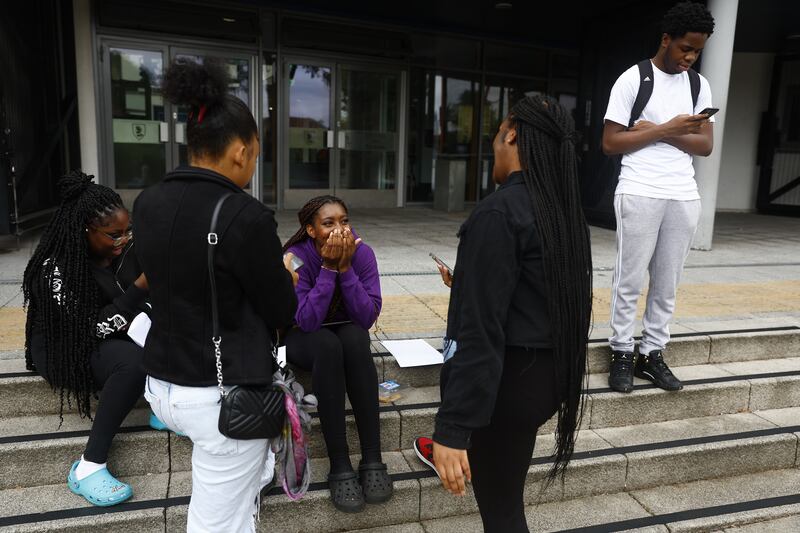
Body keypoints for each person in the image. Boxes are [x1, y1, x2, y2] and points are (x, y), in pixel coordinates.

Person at [133, 58, 297, 532]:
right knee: (215, 525)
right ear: (241, 151)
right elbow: (281, 309)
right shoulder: (244, 216)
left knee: (232, 503)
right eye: (256, 155)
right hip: (220, 398)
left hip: (162, 384)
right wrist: (286, 273)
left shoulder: (147, 202)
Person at [426, 95, 592, 533]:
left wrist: (452, 427)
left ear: (513, 132)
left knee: (502, 515)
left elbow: (478, 329)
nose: (495, 144)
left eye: (498, 133)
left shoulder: (498, 211)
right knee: (505, 503)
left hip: (507, 385)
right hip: (544, 381)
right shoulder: (561, 211)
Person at [603, 1, 715, 393]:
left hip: (683, 194)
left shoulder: (699, 86)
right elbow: (611, 142)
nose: (690, 56)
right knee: (629, 279)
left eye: (697, 50)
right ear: (666, 39)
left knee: (668, 282)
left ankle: (652, 353)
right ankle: (620, 351)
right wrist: (670, 128)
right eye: (685, 47)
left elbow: (704, 146)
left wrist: (661, 130)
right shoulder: (633, 79)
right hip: (639, 189)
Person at [23, 171, 151, 506]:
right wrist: (139, 290)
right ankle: (89, 466)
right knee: (132, 364)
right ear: (85, 230)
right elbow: (91, 328)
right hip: (64, 349)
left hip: (110, 333)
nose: (123, 240)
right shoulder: (55, 268)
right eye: (114, 235)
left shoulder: (117, 251)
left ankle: (165, 401)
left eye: (127, 231)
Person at [282, 195, 392, 513]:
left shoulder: (362, 253)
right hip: (303, 337)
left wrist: (346, 268)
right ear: (311, 230)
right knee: (328, 345)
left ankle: (372, 457)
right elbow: (306, 320)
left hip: (347, 331)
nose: (339, 229)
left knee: (356, 339)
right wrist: (329, 268)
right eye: (328, 223)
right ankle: (339, 463)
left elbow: (366, 317)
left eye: (344, 221)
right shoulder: (295, 257)